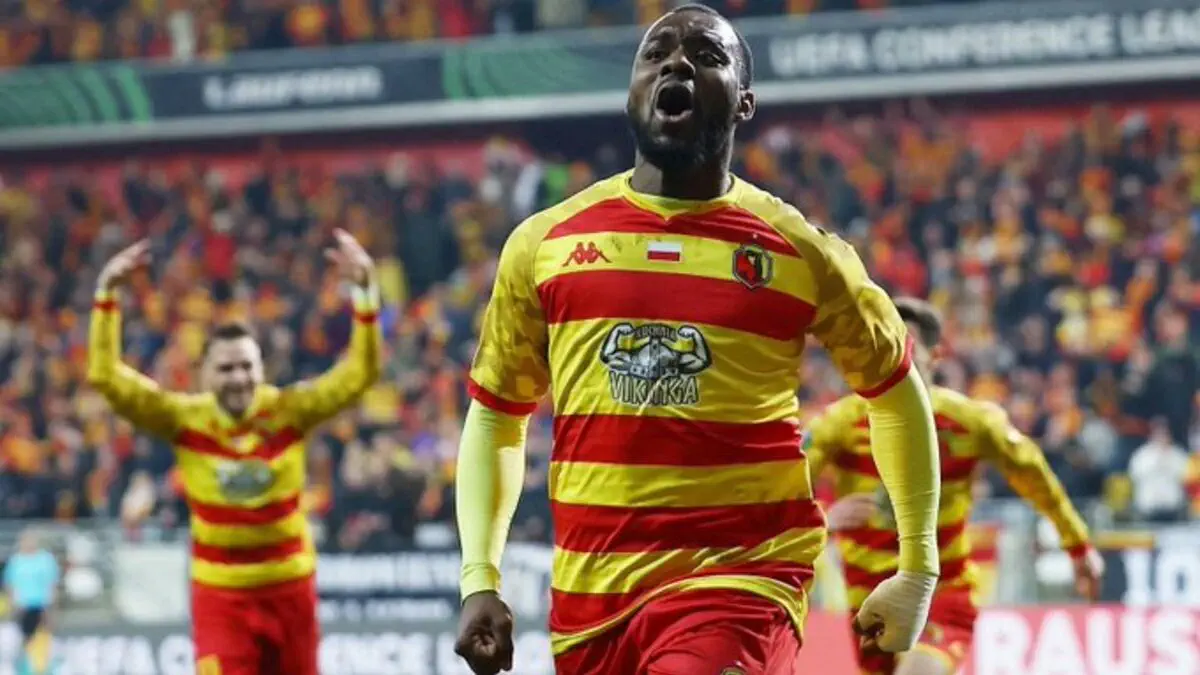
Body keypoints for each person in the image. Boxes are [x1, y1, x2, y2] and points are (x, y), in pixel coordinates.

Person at [453, 5, 943, 674]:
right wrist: (479, 578)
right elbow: (497, 417)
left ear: (744, 103)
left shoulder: (801, 251)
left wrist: (918, 567)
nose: (677, 63)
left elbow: (895, 389)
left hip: (741, 581)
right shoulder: (545, 245)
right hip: (590, 605)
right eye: (655, 54)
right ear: (631, 91)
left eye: (707, 56)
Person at [87, 230, 382, 675]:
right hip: (221, 597)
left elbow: (360, 373)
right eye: (226, 368)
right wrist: (106, 295)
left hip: (290, 591)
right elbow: (106, 377)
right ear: (204, 374)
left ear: (262, 368)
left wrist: (365, 293)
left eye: (247, 366)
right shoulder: (183, 419)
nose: (238, 377)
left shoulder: (290, 410)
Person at [805, 297, 1104, 675]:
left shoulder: (972, 423)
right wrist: (821, 520)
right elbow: (784, 487)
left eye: (906, 344)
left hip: (942, 591)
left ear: (936, 356)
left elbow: (1035, 476)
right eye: (884, 343)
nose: (894, 355)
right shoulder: (839, 424)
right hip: (868, 600)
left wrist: (1078, 545)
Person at [3, 530, 59, 674]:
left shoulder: (45, 560)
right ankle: (25, 670)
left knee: (44, 639)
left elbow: (52, 583)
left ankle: (44, 670)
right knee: (24, 640)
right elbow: (10, 584)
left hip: (42, 605)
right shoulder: (16, 561)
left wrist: (52, 608)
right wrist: (12, 605)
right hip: (23, 606)